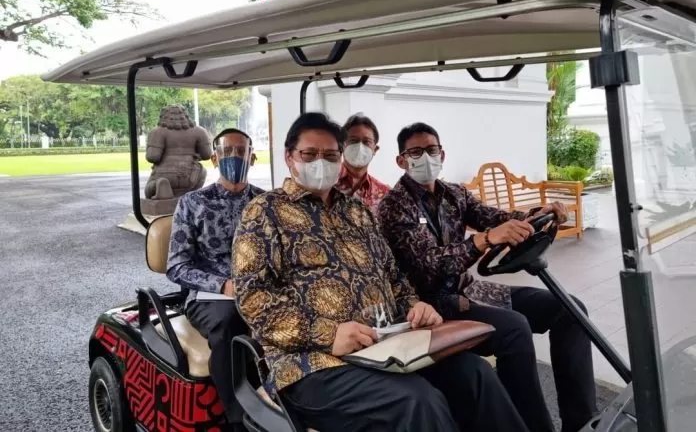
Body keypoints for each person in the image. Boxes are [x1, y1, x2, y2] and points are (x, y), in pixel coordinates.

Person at [232, 112, 530, 432]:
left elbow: (393, 275)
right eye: (310, 154)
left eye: (330, 155)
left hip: (386, 346)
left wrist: (414, 305)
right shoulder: (265, 211)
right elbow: (252, 297)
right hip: (312, 363)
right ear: (289, 157)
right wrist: (329, 335)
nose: (321, 162)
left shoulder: (358, 212)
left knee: (474, 374)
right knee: (418, 401)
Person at [378, 122, 598, 432]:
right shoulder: (393, 207)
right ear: (401, 160)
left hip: (470, 291)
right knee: (514, 329)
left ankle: (582, 422)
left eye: (431, 150)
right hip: (429, 306)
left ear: (442, 154)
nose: (425, 158)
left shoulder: (454, 194)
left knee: (570, 309)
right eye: (415, 152)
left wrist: (536, 215)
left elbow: (494, 218)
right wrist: (484, 240)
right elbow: (430, 264)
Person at [167, 128, 265, 431]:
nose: (234, 157)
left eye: (241, 151)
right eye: (227, 151)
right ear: (214, 159)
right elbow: (177, 266)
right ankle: (240, 420)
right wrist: (223, 286)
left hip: (259, 290)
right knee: (229, 324)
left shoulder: (266, 202)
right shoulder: (192, 203)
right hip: (210, 296)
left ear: (252, 158)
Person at [335, 113, 391, 214]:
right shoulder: (325, 184)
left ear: (375, 149)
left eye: (366, 142)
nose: (360, 147)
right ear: (341, 145)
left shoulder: (384, 194)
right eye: (353, 141)